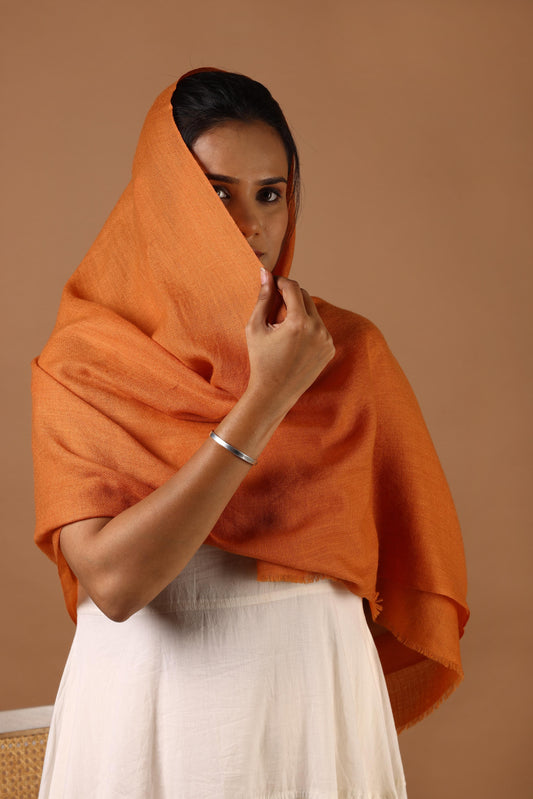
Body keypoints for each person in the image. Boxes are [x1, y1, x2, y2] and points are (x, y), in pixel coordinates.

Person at [32, 68, 469, 798]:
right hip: (151, 707)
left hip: (314, 705)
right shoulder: (86, 363)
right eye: (216, 195)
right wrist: (266, 399)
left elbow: (405, 582)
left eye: (270, 193)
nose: (250, 223)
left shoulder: (348, 352)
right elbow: (113, 582)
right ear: (163, 203)